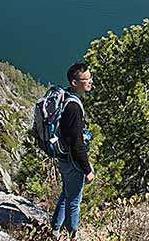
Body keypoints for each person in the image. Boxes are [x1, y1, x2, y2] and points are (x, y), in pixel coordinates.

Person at [51, 63, 95, 239]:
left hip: (63, 157)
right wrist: (87, 169)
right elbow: (77, 144)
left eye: (90, 77)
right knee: (74, 200)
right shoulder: (74, 108)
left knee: (67, 192)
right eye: (86, 79)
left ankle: (55, 229)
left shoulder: (66, 96)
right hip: (72, 160)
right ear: (75, 82)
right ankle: (72, 235)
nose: (90, 81)